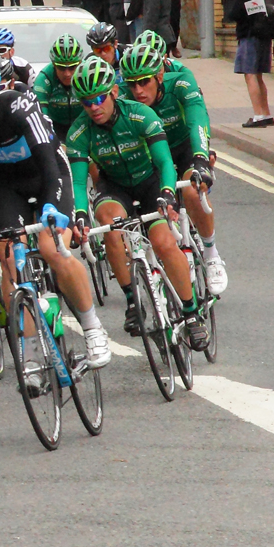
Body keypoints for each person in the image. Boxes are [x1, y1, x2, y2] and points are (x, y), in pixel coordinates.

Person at [0, 55, 112, 372]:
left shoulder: (19, 106)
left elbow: (49, 159)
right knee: (8, 260)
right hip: (9, 183)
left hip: (49, 174)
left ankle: (92, 328)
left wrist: (51, 205)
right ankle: (31, 349)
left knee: (51, 248)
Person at [67, 56, 209, 350]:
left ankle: (191, 313)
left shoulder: (140, 115)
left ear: (114, 93)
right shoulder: (79, 132)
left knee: (164, 242)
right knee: (109, 224)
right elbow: (80, 183)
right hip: (114, 185)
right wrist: (80, 214)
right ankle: (133, 301)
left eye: (98, 98)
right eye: (85, 102)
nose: (93, 107)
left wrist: (168, 192)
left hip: (149, 182)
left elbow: (165, 162)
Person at [118, 45, 227, 295]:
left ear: (158, 76)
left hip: (183, 146)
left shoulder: (180, 82)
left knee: (192, 189)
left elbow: (197, 118)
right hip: (153, 155)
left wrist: (201, 156)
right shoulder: (123, 97)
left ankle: (211, 254)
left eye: (144, 82)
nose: (138, 90)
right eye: (132, 84)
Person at [226, 0, 274, 129]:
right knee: (259, 75)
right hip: (266, 37)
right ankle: (266, 113)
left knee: (250, 74)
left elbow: (235, 14)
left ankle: (258, 115)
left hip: (249, 37)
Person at [32, 33, 84, 141]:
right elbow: (41, 118)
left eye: (72, 67)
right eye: (61, 68)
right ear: (53, 64)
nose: (67, 74)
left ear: (80, 63)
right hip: (55, 125)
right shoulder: (44, 79)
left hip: (83, 125)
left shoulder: (87, 73)